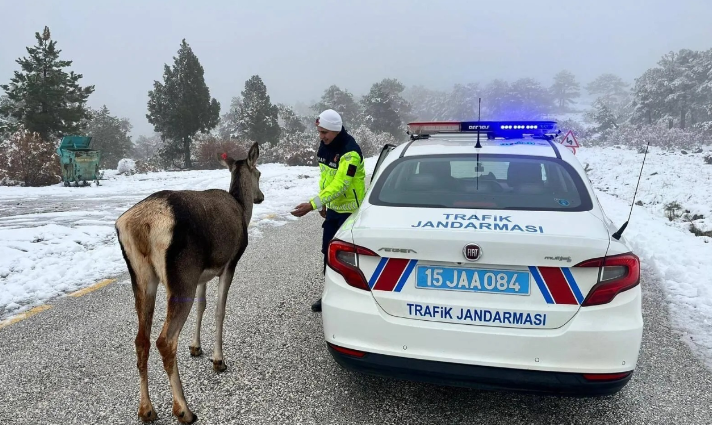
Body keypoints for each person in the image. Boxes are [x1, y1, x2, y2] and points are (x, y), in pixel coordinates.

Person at [290, 109, 366, 312]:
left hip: (351, 214)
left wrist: (312, 204)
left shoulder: (351, 152)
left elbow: (341, 185)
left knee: (352, 257)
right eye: (319, 132)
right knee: (328, 253)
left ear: (335, 130)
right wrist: (324, 203)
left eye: (325, 132)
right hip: (333, 210)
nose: (321, 136)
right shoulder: (326, 146)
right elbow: (326, 179)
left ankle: (356, 296)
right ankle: (330, 295)